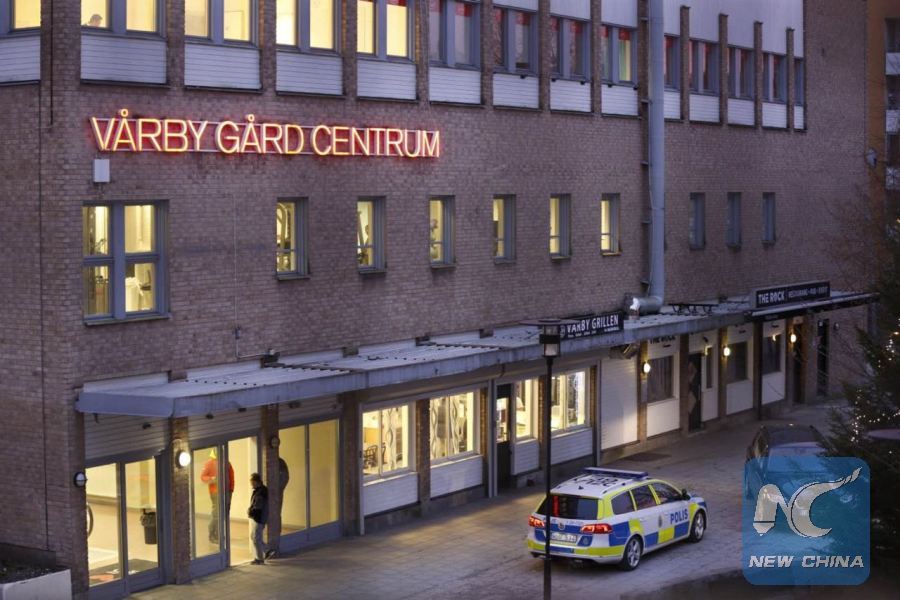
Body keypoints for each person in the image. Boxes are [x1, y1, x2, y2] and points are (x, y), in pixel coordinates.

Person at [200, 449, 234, 545]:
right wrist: (212, 478)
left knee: (224, 514)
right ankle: (212, 535)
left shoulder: (227, 463)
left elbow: (231, 476)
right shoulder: (209, 463)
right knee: (217, 514)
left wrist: (231, 489)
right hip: (216, 492)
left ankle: (219, 534)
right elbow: (202, 477)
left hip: (227, 492)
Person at [265, 458, 289, 559]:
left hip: (276, 495)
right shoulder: (265, 461)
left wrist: (277, 490)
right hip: (268, 496)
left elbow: (285, 477)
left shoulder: (279, 463)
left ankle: (274, 544)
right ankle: (269, 547)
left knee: (275, 516)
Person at [248, 473, 269, 565]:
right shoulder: (260, 490)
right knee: (254, 536)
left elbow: (258, 507)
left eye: (252, 483)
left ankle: (259, 559)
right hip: (260, 517)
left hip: (259, 518)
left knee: (256, 538)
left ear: (256, 482)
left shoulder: (261, 492)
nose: (251, 485)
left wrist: (250, 512)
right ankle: (267, 550)